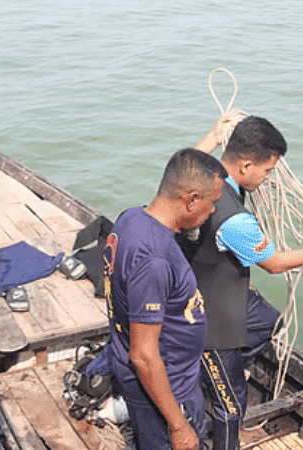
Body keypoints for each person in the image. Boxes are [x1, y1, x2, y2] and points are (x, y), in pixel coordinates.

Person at [182, 115, 303, 450]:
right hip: (208, 320)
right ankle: (213, 380)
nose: (269, 178)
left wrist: (214, 136)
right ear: (245, 165)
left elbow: (186, 159)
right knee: (232, 408)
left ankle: (211, 375)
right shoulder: (234, 220)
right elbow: (274, 264)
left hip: (203, 284)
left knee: (269, 321)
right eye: (267, 170)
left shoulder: (200, 174)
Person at [103, 148, 227, 450]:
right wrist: (179, 425)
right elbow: (144, 356)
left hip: (146, 365)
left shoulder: (131, 218)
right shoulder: (154, 261)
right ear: (192, 199)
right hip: (168, 385)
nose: (212, 212)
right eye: (211, 203)